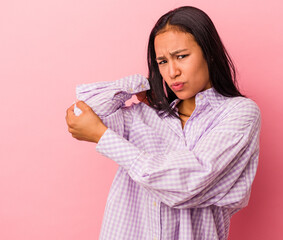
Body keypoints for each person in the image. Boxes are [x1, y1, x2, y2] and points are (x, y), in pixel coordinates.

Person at [66, 6, 260, 240]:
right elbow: (82, 113)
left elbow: (189, 182)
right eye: (162, 62)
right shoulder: (147, 115)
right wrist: (134, 85)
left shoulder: (238, 113)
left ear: (209, 53)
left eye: (181, 56)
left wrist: (105, 139)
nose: (172, 72)